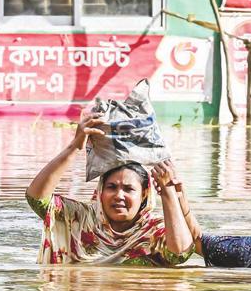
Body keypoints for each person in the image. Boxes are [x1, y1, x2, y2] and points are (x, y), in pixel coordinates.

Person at [25, 114, 193, 266]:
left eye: (128, 189)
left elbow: (180, 254)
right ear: (100, 192)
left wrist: (168, 190)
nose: (119, 195)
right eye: (112, 187)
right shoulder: (81, 218)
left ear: (143, 195)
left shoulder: (153, 230)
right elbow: (37, 198)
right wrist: (75, 146)